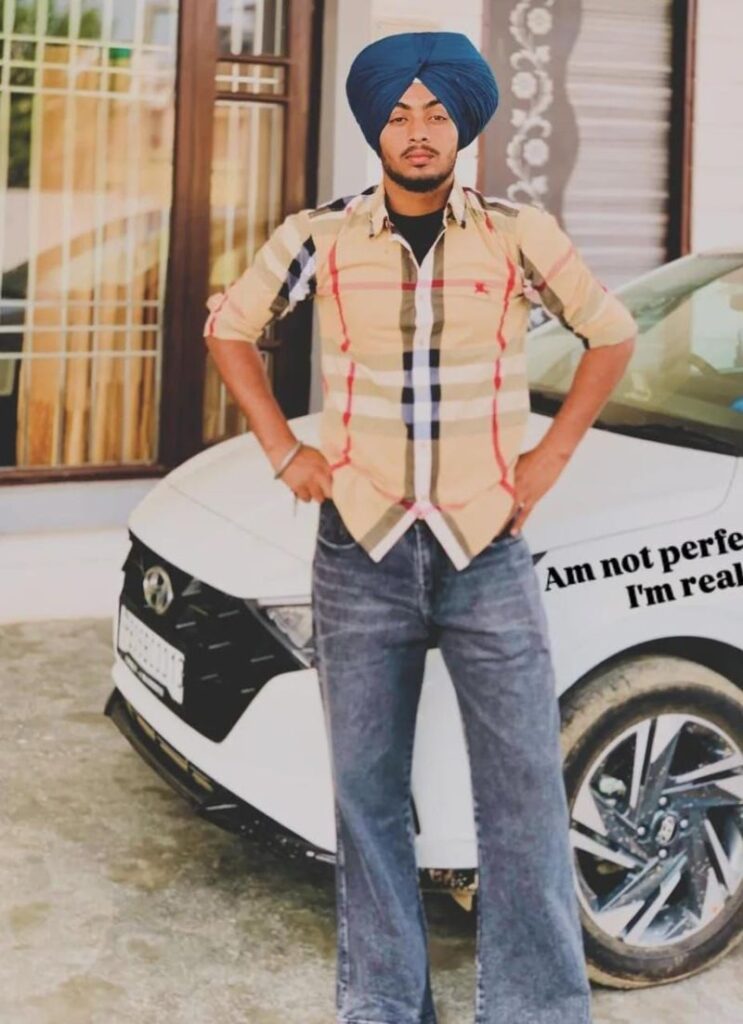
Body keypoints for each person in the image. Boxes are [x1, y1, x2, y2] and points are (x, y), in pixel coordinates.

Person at [203, 30, 637, 1024]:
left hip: (487, 550)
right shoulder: (320, 235)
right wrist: (283, 449)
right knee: (365, 795)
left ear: (462, 127)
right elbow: (230, 326)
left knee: (523, 792)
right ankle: (384, 1003)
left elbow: (610, 333)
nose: (417, 131)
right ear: (375, 128)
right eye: (398, 114)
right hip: (360, 550)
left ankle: (533, 1008)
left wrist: (547, 459)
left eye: (436, 113)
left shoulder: (516, 234)